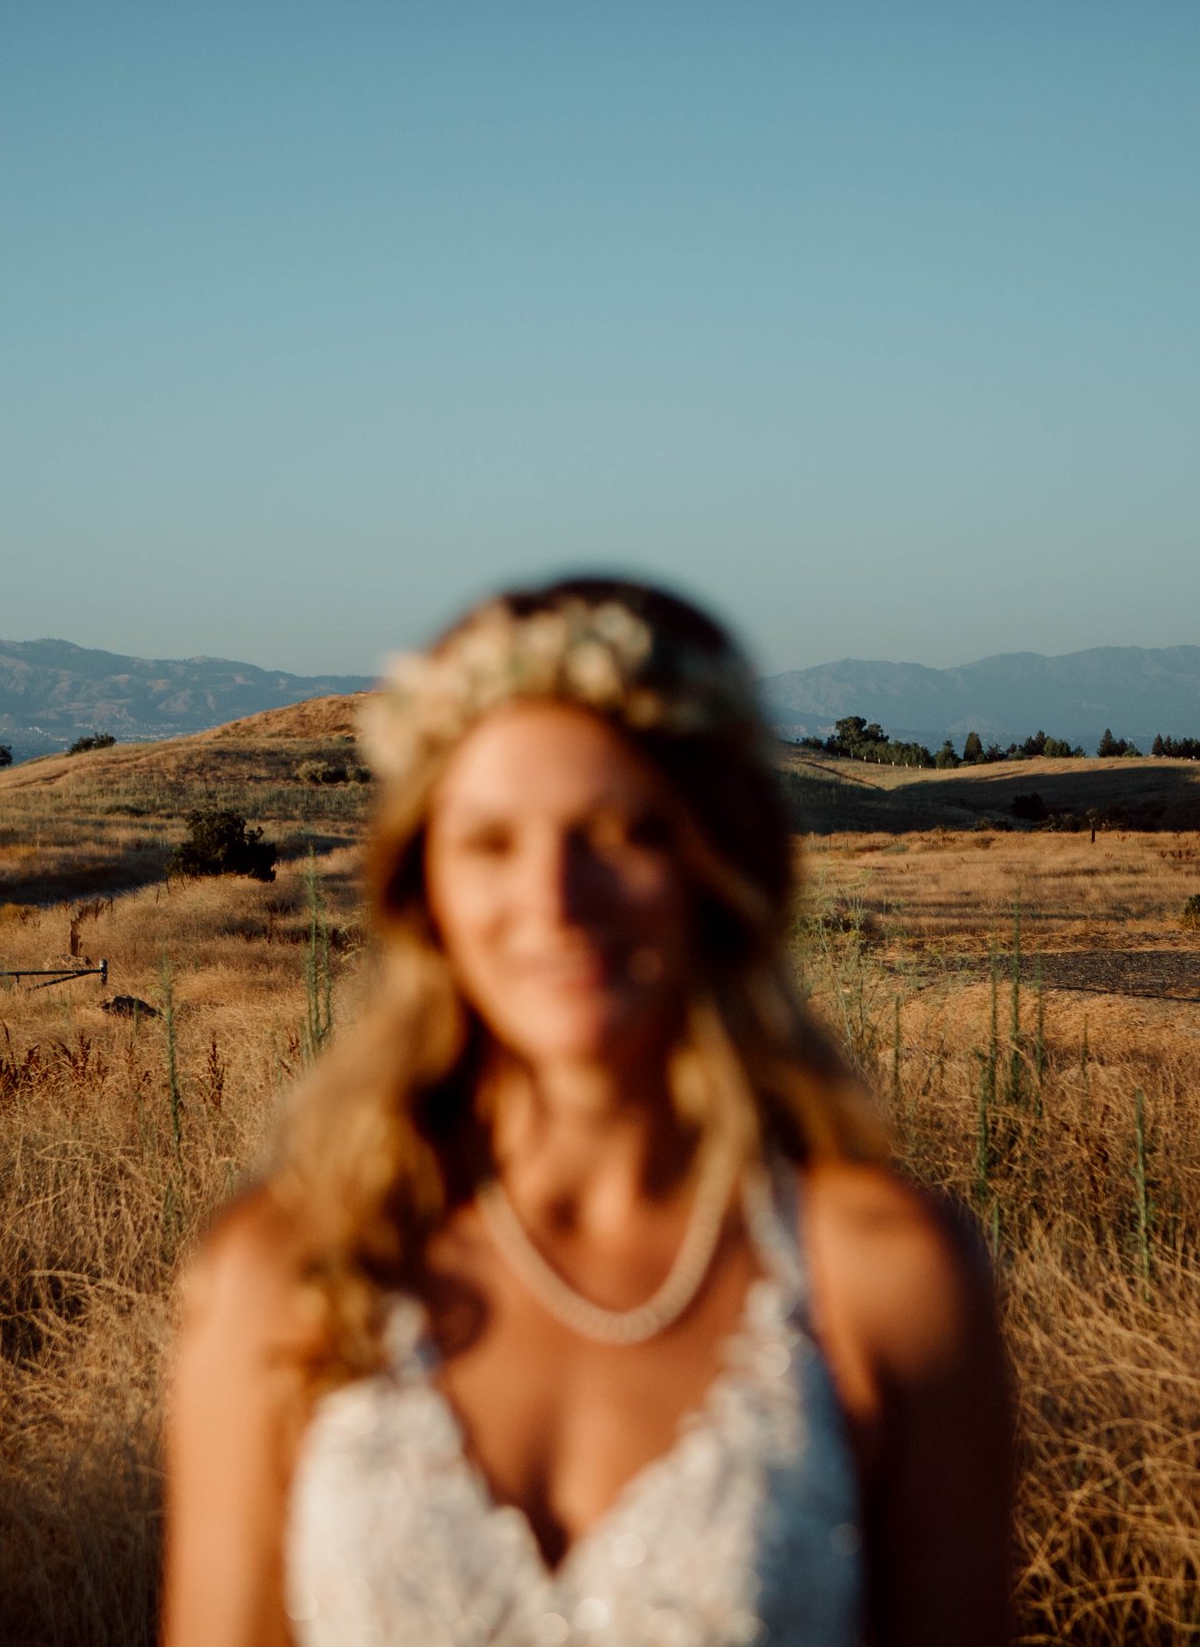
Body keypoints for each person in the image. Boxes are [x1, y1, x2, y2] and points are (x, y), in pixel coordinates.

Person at [164, 578, 1017, 1647]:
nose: (556, 902)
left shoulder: (882, 1277)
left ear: (718, 862)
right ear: (422, 883)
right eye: (490, 842)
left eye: (619, 832)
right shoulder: (289, 1271)